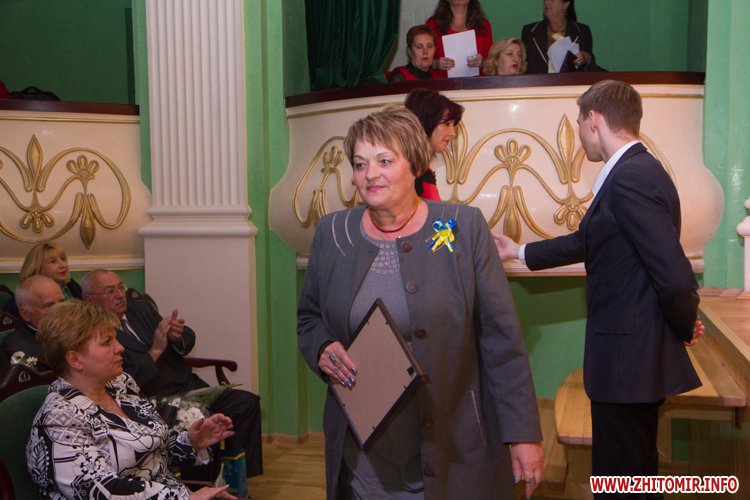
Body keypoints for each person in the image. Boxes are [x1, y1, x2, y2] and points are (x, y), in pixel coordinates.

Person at [297, 106, 544, 499]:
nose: (370, 174)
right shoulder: (333, 233)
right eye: (360, 164)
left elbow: (502, 339)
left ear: (414, 164)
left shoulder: (462, 228)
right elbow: (309, 318)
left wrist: (524, 434)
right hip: (364, 456)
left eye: (384, 161)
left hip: (454, 447)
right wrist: (322, 347)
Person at [494, 80, 704, 494]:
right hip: (633, 360)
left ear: (594, 120)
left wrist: (681, 325)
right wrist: (517, 250)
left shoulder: (630, 178)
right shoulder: (636, 171)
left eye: (578, 122)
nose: (578, 133)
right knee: (633, 476)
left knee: (619, 479)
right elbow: (588, 241)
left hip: (628, 362)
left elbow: (676, 276)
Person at [26, 300, 235, 499]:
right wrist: (184, 497)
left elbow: (154, 448)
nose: (120, 347)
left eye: (116, 338)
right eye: (107, 342)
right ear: (75, 359)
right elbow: (102, 492)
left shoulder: (120, 384)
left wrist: (190, 441)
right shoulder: (59, 419)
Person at [81, 269, 263, 479]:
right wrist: (155, 351)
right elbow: (123, 383)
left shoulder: (141, 310)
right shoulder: (95, 334)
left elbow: (187, 339)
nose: (121, 295)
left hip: (190, 386)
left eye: (121, 287)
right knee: (199, 420)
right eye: (110, 291)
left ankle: (237, 480)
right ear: (90, 300)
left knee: (246, 404)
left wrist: (177, 336)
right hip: (156, 399)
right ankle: (201, 485)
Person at [404, 88, 464, 201]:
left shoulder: (419, 169)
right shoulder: (408, 173)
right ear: (423, 122)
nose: (453, 133)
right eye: (446, 123)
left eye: (453, 125)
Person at [1, 275, 64, 370]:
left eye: (62, 302)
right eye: (49, 305)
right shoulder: (20, 352)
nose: (60, 309)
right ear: (26, 314)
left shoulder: (73, 329)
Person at [3, 242, 81, 317]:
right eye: (53, 261)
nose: (63, 265)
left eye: (63, 259)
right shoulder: (24, 297)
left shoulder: (71, 285)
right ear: (37, 267)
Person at [522, 0, 596, 74]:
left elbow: (592, 69)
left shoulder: (582, 31)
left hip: (571, 81)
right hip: (538, 81)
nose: (547, 2)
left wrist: (586, 57)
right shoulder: (530, 32)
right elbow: (523, 67)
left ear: (566, 4)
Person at [426, 0, 493, 78]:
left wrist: (482, 62)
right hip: (442, 82)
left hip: (477, 82)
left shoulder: (483, 24)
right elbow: (421, 60)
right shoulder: (432, 24)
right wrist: (436, 64)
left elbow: (492, 61)